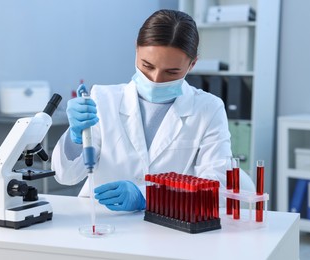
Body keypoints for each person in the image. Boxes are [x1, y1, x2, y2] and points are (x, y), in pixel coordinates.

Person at [51, 9, 255, 212]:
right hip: (103, 222)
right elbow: (66, 176)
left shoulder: (208, 109)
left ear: (192, 64)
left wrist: (146, 196)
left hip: (169, 226)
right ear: (136, 49)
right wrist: (75, 138)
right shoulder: (102, 99)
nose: (156, 79)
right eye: (147, 66)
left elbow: (216, 187)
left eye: (172, 72)